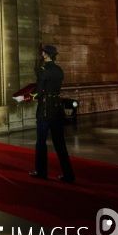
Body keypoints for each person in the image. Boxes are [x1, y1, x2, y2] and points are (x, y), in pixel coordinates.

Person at [25, 44, 75, 182]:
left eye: (43, 52)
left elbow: (39, 92)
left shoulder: (43, 70)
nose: (41, 54)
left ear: (46, 54)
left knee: (41, 141)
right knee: (60, 143)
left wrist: (26, 97)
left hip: (45, 109)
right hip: (57, 108)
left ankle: (41, 172)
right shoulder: (59, 70)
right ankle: (69, 174)